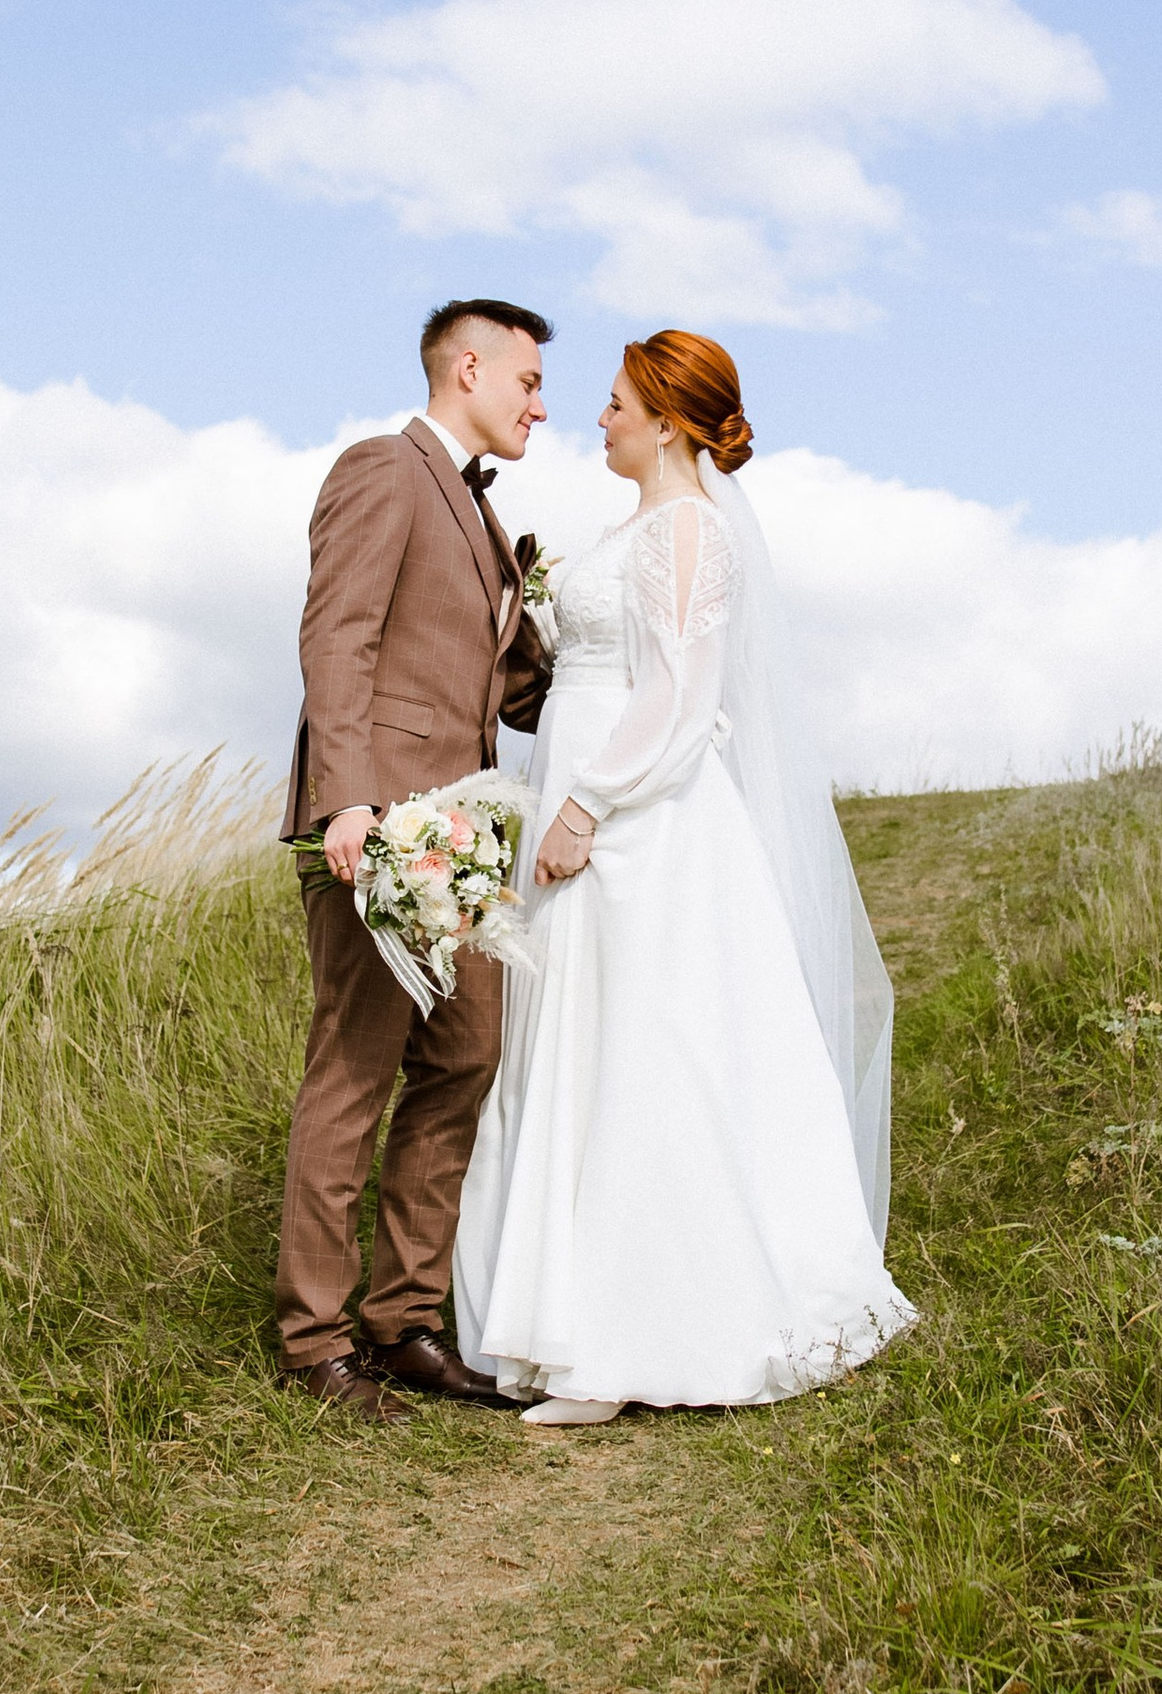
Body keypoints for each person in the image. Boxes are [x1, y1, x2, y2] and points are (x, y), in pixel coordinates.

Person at [453, 330, 913, 1426]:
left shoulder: (693, 534)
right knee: (576, 1041)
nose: (595, 418)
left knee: (640, 1047)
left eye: (615, 403)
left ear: (666, 420)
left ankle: (626, 1342)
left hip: (636, 819)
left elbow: (679, 696)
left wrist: (585, 805)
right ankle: (556, 1324)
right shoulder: (635, 528)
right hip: (585, 798)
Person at [275, 298, 556, 1415]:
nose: (541, 404)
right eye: (529, 382)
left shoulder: (488, 522)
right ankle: (314, 1345)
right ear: (470, 368)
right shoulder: (382, 469)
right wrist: (347, 802)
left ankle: (403, 1323)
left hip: (463, 849)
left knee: (465, 1057)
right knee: (350, 1078)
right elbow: (335, 635)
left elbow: (505, 687)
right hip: (374, 835)